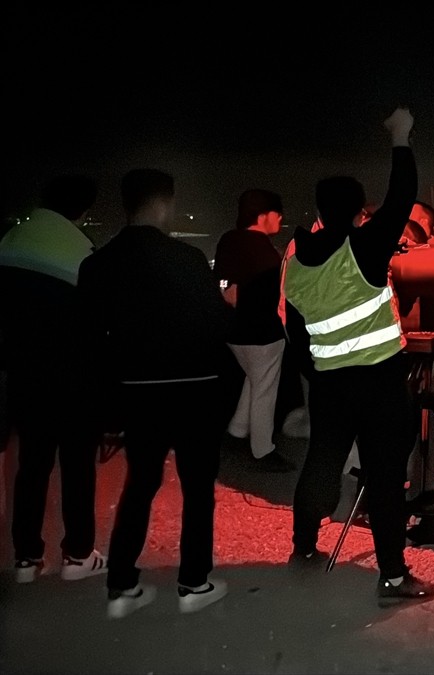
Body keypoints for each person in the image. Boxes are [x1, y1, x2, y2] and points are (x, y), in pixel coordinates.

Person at [283, 103, 434, 604]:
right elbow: (402, 198)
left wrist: (323, 369)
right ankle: (393, 577)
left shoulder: (298, 261)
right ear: (356, 211)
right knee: (385, 477)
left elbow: (298, 336)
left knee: (322, 463)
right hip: (376, 384)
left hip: (329, 385)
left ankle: (304, 545)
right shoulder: (362, 248)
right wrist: (401, 137)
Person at [77, 168, 233, 618]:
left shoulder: (99, 264)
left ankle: (122, 584)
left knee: (140, 484)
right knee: (198, 488)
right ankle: (193, 582)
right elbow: (216, 324)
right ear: (163, 204)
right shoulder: (186, 258)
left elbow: (90, 338)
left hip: (137, 392)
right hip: (194, 390)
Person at [0, 174, 108, 583]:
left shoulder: (11, 240)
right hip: (75, 378)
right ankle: (78, 555)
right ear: (83, 209)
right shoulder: (81, 249)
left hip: (26, 374)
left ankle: (26, 558)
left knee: (32, 466)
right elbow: (98, 322)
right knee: (78, 466)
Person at [212, 189, 294, 472]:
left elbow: (224, 287)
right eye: (277, 214)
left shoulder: (228, 240)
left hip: (232, 333)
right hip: (262, 334)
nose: (280, 219)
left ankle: (236, 431)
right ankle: (262, 450)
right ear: (263, 216)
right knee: (264, 389)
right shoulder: (264, 250)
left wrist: (231, 295)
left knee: (254, 378)